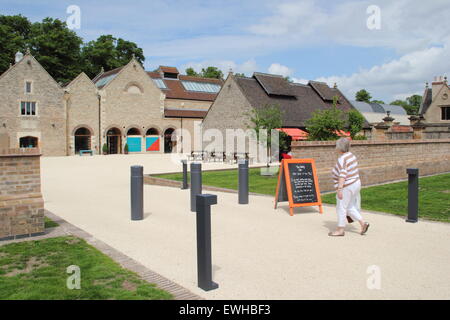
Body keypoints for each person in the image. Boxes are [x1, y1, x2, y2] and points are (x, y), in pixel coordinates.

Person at [329, 138, 370, 237]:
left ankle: (340, 230)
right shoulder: (351, 155)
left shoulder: (342, 158)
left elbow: (343, 174)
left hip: (347, 186)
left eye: (336, 145)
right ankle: (363, 223)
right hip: (356, 183)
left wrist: (339, 189)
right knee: (349, 206)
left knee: (341, 207)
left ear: (339, 147)